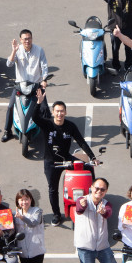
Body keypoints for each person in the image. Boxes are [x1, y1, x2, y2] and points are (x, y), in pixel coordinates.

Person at [32, 95, 98, 225]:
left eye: (62, 111)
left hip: (66, 159)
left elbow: (81, 142)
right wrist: (38, 103)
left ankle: (95, 197)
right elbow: (35, 118)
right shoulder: (47, 124)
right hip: (51, 162)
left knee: (89, 168)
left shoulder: (70, 126)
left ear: (65, 112)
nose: (59, 113)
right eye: (57, 111)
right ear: (53, 112)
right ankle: (56, 214)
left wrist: (92, 157)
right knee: (53, 189)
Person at [74, 177, 120, 263]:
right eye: (97, 188)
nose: (99, 191)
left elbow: (108, 213)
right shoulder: (82, 200)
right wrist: (82, 206)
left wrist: (104, 212)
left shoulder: (106, 204)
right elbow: (79, 209)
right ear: (91, 188)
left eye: (102, 189)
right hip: (85, 247)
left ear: (105, 191)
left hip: (103, 247)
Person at [1, 28, 48, 142]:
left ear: (32, 38)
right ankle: (7, 131)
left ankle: (48, 131)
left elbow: (44, 66)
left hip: (35, 85)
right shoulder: (18, 50)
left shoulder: (39, 50)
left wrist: (44, 80)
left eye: (29, 38)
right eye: (25, 39)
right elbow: (9, 64)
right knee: (11, 107)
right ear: (21, 40)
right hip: (20, 86)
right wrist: (13, 50)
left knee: (44, 108)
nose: (27, 41)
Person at [13, 189, 46, 263]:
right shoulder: (15, 214)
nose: (24, 202)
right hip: (23, 250)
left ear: (31, 200)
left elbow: (33, 223)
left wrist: (22, 218)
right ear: (17, 201)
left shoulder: (37, 211)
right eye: (21, 200)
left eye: (26, 199)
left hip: (37, 249)